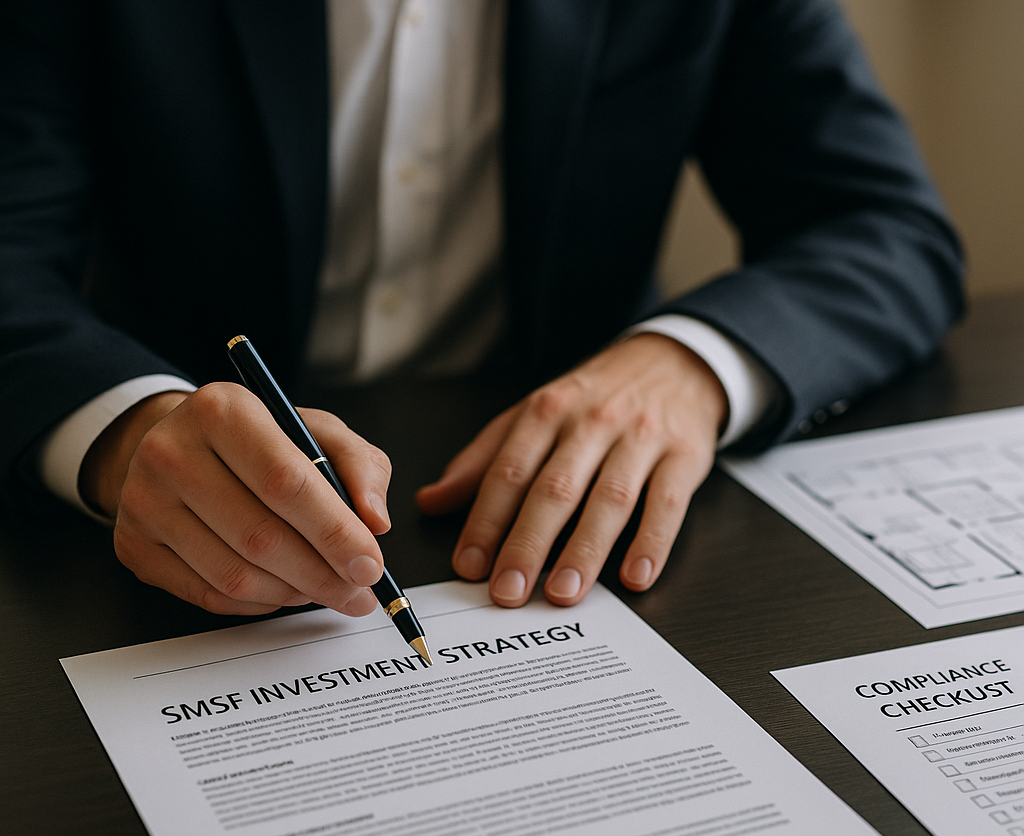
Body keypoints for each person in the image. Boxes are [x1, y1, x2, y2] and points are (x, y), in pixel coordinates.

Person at [0, 0, 962, 620]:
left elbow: (886, 226)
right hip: (158, 556)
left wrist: (690, 365)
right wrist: (128, 431)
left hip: (569, 512)